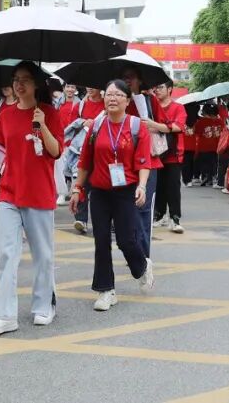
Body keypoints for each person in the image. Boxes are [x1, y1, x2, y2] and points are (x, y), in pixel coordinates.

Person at [0, 62, 63, 336]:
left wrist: (42, 125)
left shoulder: (49, 113)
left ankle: (43, 305)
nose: (19, 84)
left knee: (43, 255)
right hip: (9, 192)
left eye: (26, 79)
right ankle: (5, 315)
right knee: (6, 253)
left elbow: (55, 152)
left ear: (37, 84)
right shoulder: (5, 114)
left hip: (39, 193)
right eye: (16, 79)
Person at [70, 79, 154, 312]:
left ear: (127, 100)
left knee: (127, 240)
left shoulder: (136, 126)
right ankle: (106, 290)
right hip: (99, 191)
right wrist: (77, 188)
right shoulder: (96, 126)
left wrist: (142, 186)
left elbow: (144, 161)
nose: (112, 98)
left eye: (118, 94)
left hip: (126, 190)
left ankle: (141, 266)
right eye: (108, 94)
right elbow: (85, 161)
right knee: (101, 240)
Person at [121, 67, 166, 257]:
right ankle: (133, 250)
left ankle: (144, 255)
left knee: (144, 208)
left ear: (140, 80)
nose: (127, 81)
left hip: (148, 163)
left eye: (130, 77)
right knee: (126, 210)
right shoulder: (118, 102)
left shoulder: (150, 100)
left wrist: (151, 125)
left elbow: (166, 127)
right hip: (123, 164)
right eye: (124, 78)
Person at [64, 86, 105, 234]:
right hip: (82, 150)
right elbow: (70, 126)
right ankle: (81, 219)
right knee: (80, 183)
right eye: (87, 85)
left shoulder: (106, 104)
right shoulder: (80, 105)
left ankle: (106, 220)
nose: (90, 88)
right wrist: (82, 122)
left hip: (102, 150)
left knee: (102, 187)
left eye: (93, 85)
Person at [152, 80, 187, 233]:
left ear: (170, 89)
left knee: (173, 187)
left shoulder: (178, 107)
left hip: (173, 153)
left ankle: (175, 218)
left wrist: (155, 125)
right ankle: (159, 216)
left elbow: (179, 127)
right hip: (155, 153)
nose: (157, 90)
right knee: (158, 186)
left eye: (160, 87)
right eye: (155, 87)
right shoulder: (152, 106)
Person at [193, 103, 224, 188]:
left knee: (204, 163)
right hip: (217, 146)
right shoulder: (220, 121)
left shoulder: (201, 122)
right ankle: (213, 177)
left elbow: (196, 132)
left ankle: (205, 176)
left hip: (203, 147)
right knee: (214, 162)